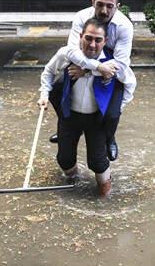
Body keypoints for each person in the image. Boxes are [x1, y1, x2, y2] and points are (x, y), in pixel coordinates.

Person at [38, 18, 136, 198]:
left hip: (96, 119)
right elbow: (48, 72)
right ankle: (73, 183)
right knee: (64, 159)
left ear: (105, 41)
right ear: (81, 36)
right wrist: (44, 94)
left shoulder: (113, 63)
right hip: (70, 116)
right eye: (88, 38)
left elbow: (130, 84)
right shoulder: (66, 54)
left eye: (98, 40)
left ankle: (105, 197)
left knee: (97, 162)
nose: (92, 44)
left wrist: (117, 108)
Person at [48, 0, 134, 163]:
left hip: (110, 70)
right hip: (82, 61)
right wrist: (94, 67)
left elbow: (120, 63)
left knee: (111, 114)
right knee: (55, 91)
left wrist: (87, 70)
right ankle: (64, 129)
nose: (104, 10)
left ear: (117, 7)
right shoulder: (81, 17)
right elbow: (72, 51)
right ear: (93, 2)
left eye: (109, 6)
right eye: (100, 4)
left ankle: (110, 138)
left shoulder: (124, 26)